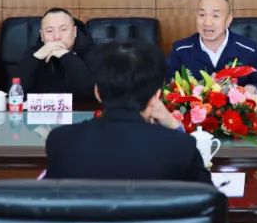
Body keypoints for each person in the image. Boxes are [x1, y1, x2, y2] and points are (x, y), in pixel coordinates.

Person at [46, 40, 211, 183]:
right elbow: (209, 200)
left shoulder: (61, 141)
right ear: (156, 96)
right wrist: (175, 126)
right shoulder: (180, 147)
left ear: (97, 92)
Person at [165, 0, 257, 93]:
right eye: (202, 15)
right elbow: (166, 86)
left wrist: (253, 89)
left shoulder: (250, 50)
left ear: (228, 20)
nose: (207, 23)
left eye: (215, 16)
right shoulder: (181, 50)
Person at [17, 8, 96, 99]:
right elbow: (14, 92)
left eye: (63, 29)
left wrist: (66, 56)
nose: (57, 37)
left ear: (75, 32)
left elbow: (93, 93)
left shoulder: (92, 52)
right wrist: (36, 58)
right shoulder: (36, 52)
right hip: (43, 108)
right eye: (50, 31)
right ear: (42, 35)